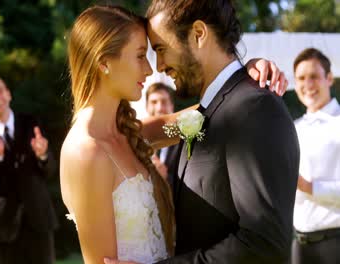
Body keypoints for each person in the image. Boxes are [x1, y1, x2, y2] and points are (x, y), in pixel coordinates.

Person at [60, 5, 290, 264]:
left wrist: (245, 74)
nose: (150, 69)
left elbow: (214, 112)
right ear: (104, 62)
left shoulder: (136, 135)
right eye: (140, 56)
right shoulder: (85, 152)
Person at [0, 73, 57, 264]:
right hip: (2, 227)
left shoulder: (31, 123)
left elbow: (50, 171)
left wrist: (43, 155)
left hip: (38, 220)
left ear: (9, 94)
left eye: (0, 91)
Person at [290, 48, 340, 264]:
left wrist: (308, 186)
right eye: (301, 78)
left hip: (335, 244)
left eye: (314, 76)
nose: (307, 84)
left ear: (329, 79)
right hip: (299, 245)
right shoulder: (293, 128)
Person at [146, 83, 180, 189]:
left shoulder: (185, 142)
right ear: (146, 106)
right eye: (154, 102)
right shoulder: (135, 142)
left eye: (164, 102)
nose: (159, 108)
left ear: (172, 106)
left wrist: (165, 177)